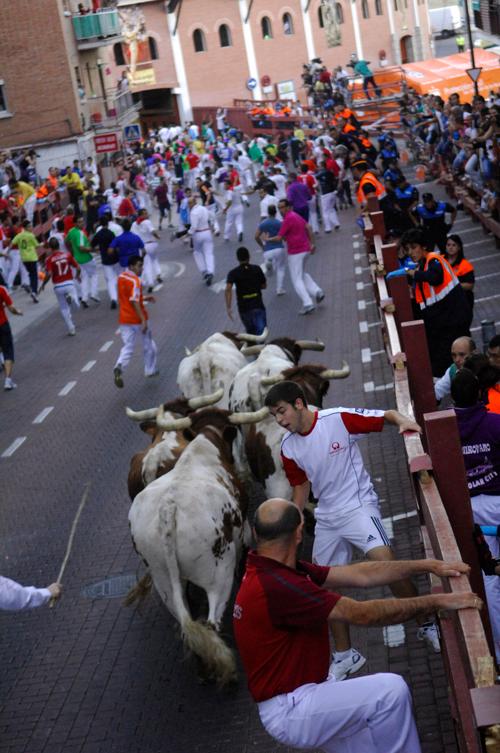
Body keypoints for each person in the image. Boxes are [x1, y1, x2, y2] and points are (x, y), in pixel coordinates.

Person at [233, 498, 479, 753]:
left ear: (255, 533)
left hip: (306, 696)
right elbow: (363, 614)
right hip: (294, 707)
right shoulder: (278, 585)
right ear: (298, 533)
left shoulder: (274, 569)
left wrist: (430, 566)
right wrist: (438, 601)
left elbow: (361, 574)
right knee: (390, 693)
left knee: (371, 738)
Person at [263, 381, 442, 680]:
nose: (280, 421)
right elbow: (300, 487)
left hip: (358, 507)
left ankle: (425, 621)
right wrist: (295, 521)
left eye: (281, 412)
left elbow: (385, 415)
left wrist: (404, 422)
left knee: (386, 561)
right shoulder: (288, 447)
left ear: (298, 403)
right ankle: (345, 655)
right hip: (328, 518)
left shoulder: (338, 419)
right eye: (274, 416)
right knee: (322, 587)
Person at [452, 369, 500, 662]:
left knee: (492, 584)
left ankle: (498, 654)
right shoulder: (495, 423)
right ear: (481, 394)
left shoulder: (443, 429)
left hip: (475, 516)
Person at [402, 228, 471, 377]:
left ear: (424, 246)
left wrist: (416, 274)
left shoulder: (433, 260)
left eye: (414, 247)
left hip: (454, 321)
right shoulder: (423, 265)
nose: (410, 252)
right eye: (408, 249)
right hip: (443, 324)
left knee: (456, 360)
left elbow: (436, 277)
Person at [266, 198, 323, 315]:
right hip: (305, 249)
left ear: (288, 207)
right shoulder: (295, 215)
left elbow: (279, 238)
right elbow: (308, 227)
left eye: (282, 207)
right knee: (301, 274)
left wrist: (267, 239)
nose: (280, 210)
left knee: (296, 279)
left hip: (296, 252)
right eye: (279, 208)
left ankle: (308, 303)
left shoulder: (288, 219)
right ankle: (317, 291)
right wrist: (312, 244)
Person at [113, 255, 158, 389]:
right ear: (132, 266)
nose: (141, 268)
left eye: (142, 265)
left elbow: (128, 297)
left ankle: (119, 366)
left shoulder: (121, 277)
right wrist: (143, 320)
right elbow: (133, 301)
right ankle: (150, 370)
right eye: (139, 265)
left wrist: (144, 297)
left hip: (124, 319)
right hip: (137, 319)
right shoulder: (135, 281)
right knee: (148, 344)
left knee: (128, 346)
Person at [42, 237, 80, 336]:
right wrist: (77, 276)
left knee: (63, 307)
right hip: (69, 282)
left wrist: (43, 284)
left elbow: (49, 274)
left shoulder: (49, 259)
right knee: (76, 305)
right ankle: (72, 299)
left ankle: (71, 328)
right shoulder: (67, 255)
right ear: (59, 245)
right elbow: (78, 267)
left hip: (58, 285)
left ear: (50, 247)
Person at [225, 247, 267, 335]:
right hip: (257, 305)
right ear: (249, 256)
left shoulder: (233, 273)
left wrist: (228, 307)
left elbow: (228, 289)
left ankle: (253, 345)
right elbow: (264, 286)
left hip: (244, 308)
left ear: (237, 258)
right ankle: (261, 346)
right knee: (261, 332)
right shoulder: (257, 269)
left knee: (251, 332)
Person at [66, 216, 99, 308]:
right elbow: (81, 248)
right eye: (80, 222)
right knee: (94, 275)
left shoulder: (71, 231)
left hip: (77, 259)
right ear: (75, 223)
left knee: (84, 278)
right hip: (86, 258)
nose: (82, 223)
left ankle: (84, 298)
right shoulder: (80, 233)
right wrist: (93, 249)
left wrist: (72, 251)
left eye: (82, 221)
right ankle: (94, 293)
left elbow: (67, 241)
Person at [255, 205, 287, 296]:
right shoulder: (279, 223)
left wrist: (262, 245)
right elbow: (284, 237)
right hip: (279, 248)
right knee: (281, 268)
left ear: (268, 212)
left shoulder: (263, 223)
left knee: (270, 273)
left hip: (268, 249)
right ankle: (279, 289)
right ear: (275, 212)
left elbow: (256, 236)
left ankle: (269, 265)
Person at [444, 234, 475, 327]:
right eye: (448, 245)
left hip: (463, 301)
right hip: (446, 303)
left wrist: (453, 285)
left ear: (459, 248)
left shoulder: (465, 265)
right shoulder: (440, 261)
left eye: (454, 245)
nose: (451, 248)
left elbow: (470, 285)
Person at [434, 336, 476, 401]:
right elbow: (437, 392)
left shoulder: (482, 369)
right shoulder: (452, 370)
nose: (457, 360)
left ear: (473, 354)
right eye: (454, 355)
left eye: (462, 355)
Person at [91, 216, 119, 309]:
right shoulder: (111, 233)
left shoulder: (98, 234)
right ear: (108, 223)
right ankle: (121, 295)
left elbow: (92, 245)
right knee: (117, 277)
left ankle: (113, 298)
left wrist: (98, 249)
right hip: (114, 258)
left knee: (110, 280)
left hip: (105, 259)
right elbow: (116, 245)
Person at [9, 220, 40, 302]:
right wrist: (43, 244)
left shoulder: (19, 235)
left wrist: (7, 252)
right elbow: (37, 246)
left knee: (30, 273)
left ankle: (29, 286)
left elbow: (12, 243)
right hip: (32, 258)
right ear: (26, 228)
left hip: (24, 259)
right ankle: (34, 292)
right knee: (34, 275)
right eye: (29, 226)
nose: (31, 227)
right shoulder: (31, 235)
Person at [131, 208, 162, 293]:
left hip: (143, 246)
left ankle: (149, 282)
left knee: (146, 264)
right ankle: (158, 274)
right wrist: (158, 236)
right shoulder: (147, 222)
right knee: (155, 259)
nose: (147, 215)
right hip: (152, 243)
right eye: (145, 213)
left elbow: (133, 235)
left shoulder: (134, 224)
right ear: (141, 215)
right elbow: (153, 231)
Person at [188, 195, 215, 286]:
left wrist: (189, 233)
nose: (189, 205)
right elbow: (212, 216)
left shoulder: (193, 212)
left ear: (194, 202)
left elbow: (194, 227)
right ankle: (210, 271)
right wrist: (214, 226)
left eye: (190, 203)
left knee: (197, 252)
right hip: (207, 232)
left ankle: (204, 271)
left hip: (198, 234)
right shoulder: (203, 208)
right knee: (208, 253)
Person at [0, 281, 22, 390]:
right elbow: (11, 308)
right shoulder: (1, 289)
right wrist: (18, 312)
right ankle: (8, 381)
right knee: (8, 350)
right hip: (2, 324)